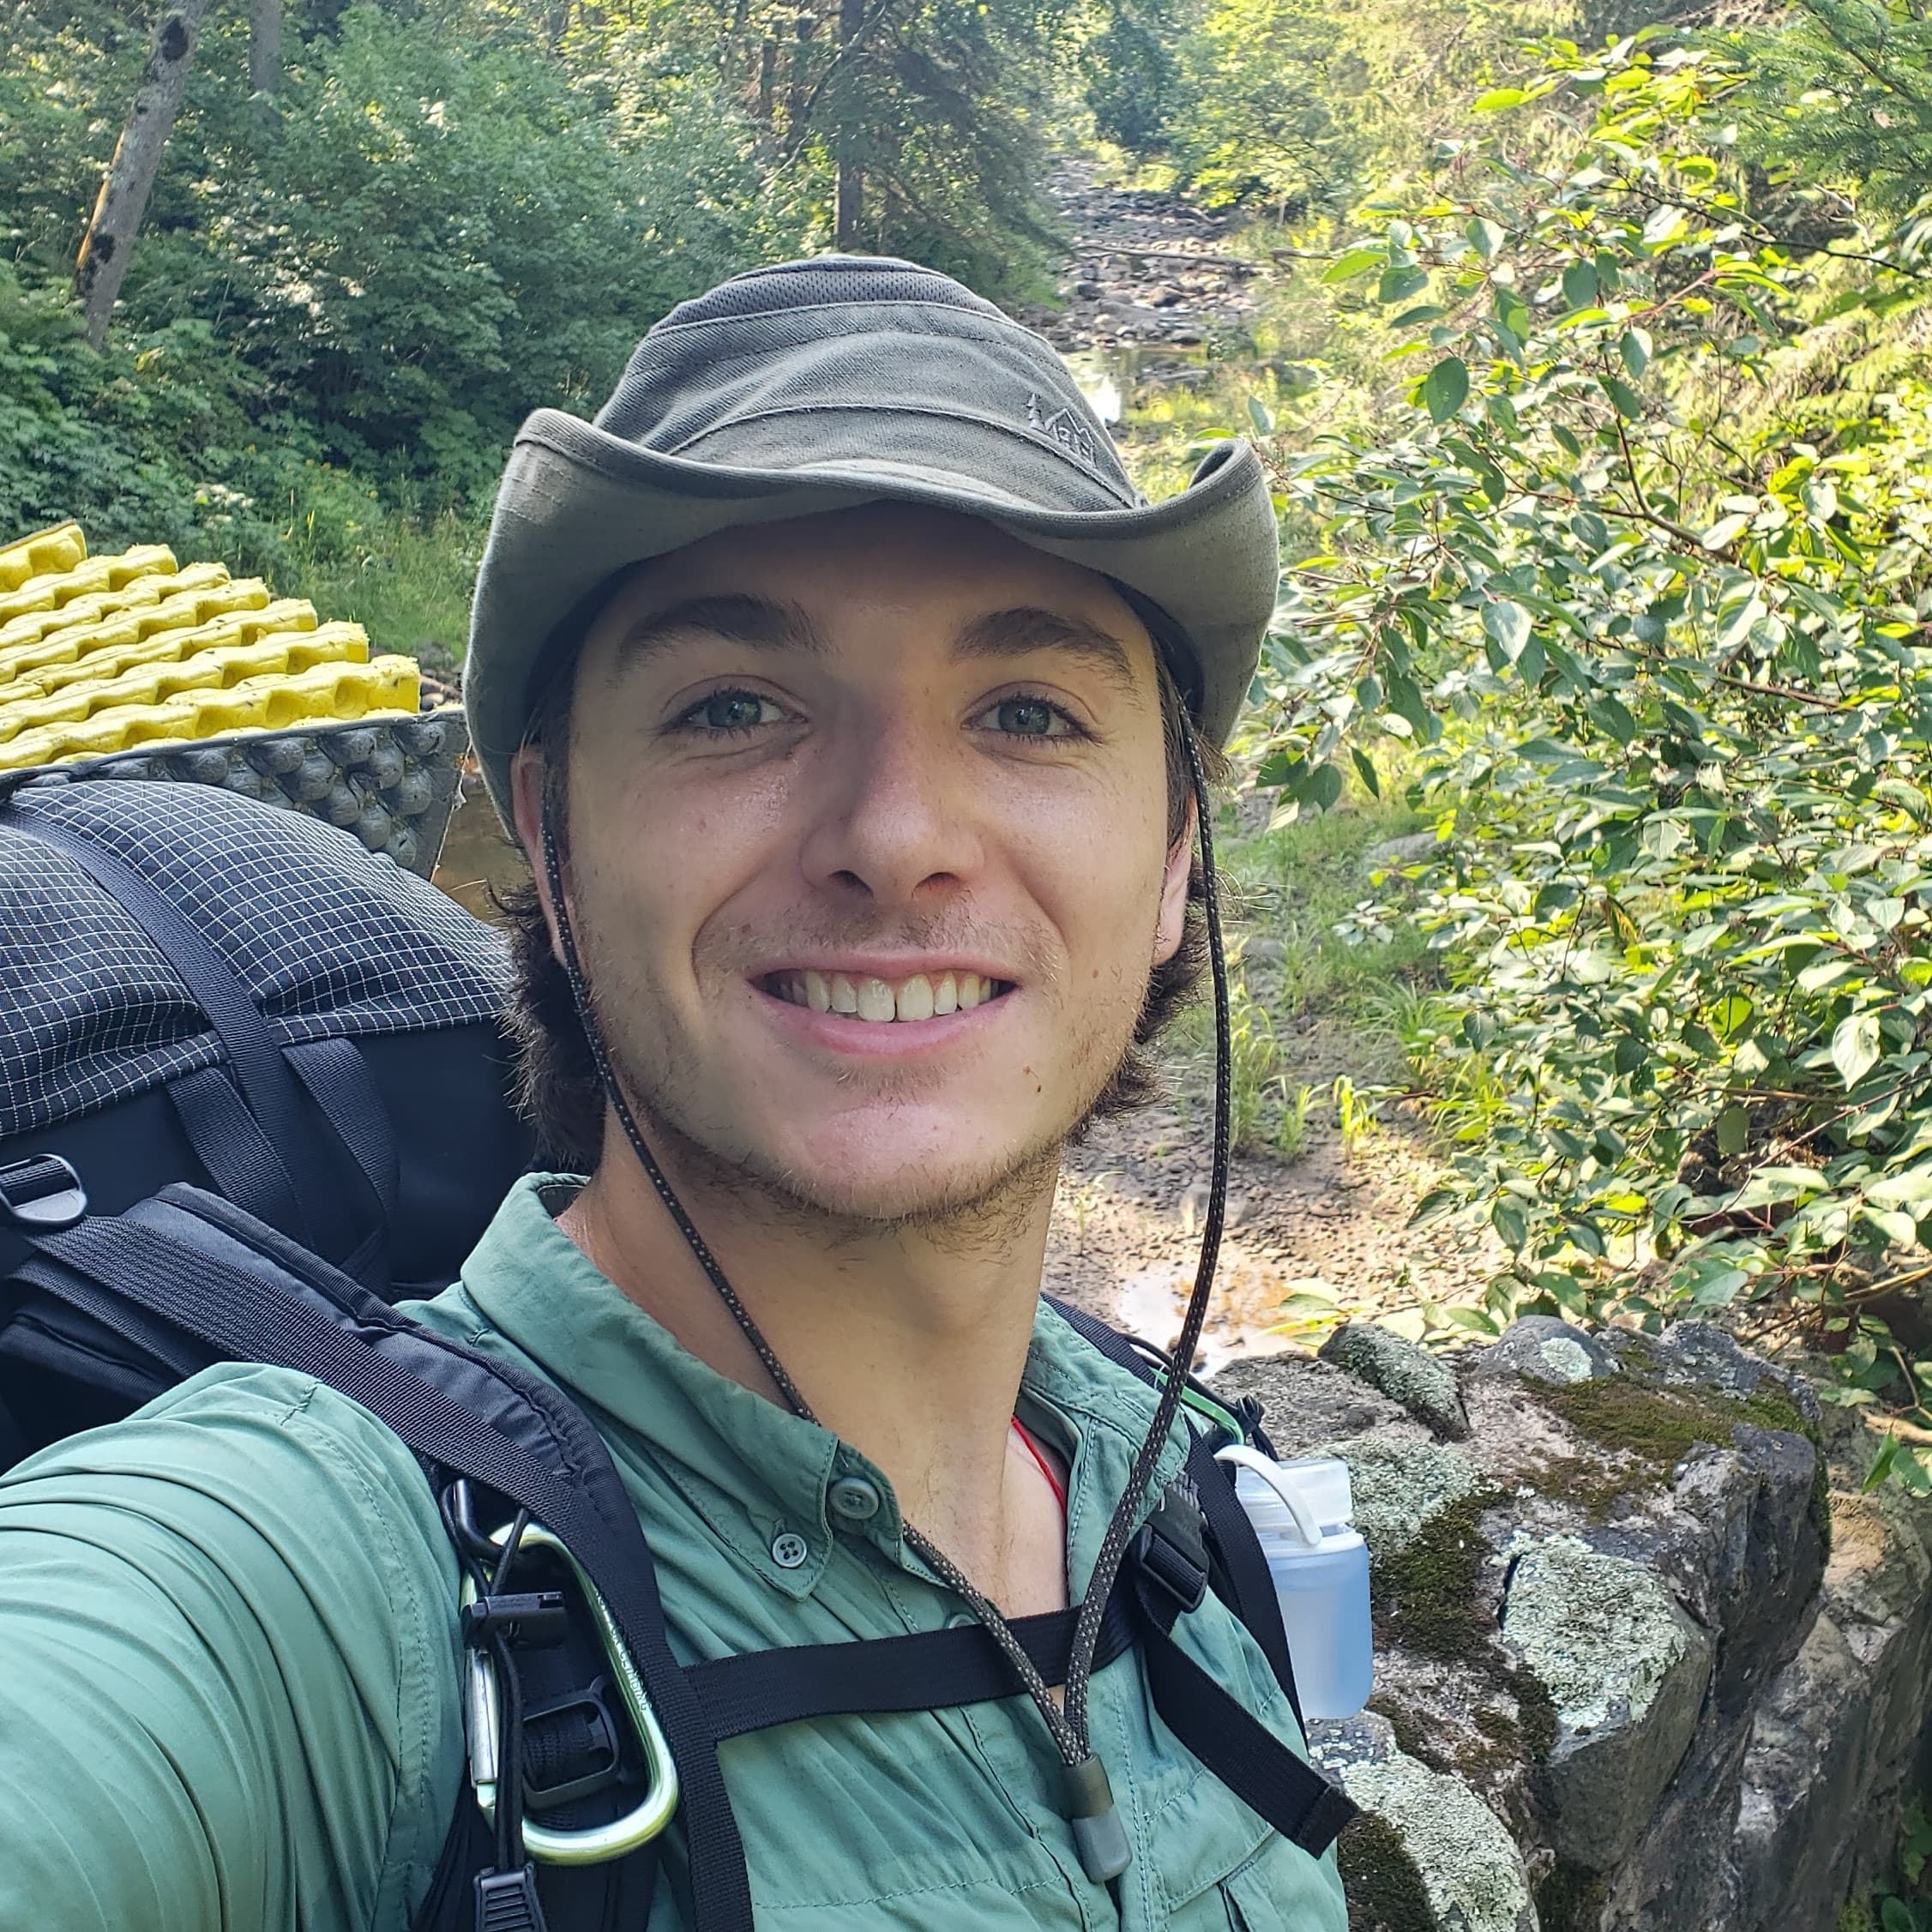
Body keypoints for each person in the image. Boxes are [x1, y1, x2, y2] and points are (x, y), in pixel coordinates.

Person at [0, 256, 1350, 1930]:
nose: (894, 835)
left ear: (1170, 858)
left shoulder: (1180, 1485)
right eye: (731, 707)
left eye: (1027, 710)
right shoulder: (305, 1590)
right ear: (552, 843)